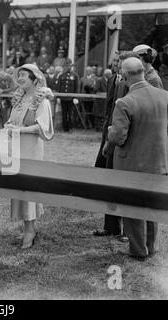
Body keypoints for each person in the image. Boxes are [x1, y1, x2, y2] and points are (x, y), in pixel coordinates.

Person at [104, 57, 168, 261]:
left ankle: (138, 250)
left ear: (124, 76)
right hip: (159, 162)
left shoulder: (125, 102)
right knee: (151, 205)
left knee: (132, 208)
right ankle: (151, 246)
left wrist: (109, 133)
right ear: (143, 71)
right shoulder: (164, 96)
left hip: (131, 164)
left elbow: (118, 137)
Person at [4, 64, 54, 249]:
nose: (21, 78)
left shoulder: (42, 100)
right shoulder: (20, 98)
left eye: (24, 75)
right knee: (20, 188)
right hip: (16, 149)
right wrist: (9, 125)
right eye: (19, 75)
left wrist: (20, 130)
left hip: (31, 150)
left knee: (29, 189)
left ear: (35, 79)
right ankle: (28, 228)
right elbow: (13, 120)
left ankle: (30, 231)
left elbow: (43, 128)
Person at [93, 51, 139, 241]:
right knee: (106, 180)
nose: (114, 65)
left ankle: (125, 230)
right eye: (113, 62)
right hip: (109, 135)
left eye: (118, 63)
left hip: (122, 140)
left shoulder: (132, 85)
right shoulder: (113, 80)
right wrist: (105, 138)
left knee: (120, 184)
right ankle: (110, 226)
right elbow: (109, 110)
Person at [56, 58, 79, 132]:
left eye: (70, 65)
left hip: (71, 98)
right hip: (63, 98)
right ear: (65, 66)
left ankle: (70, 128)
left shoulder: (75, 75)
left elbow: (76, 87)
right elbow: (59, 87)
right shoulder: (61, 76)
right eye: (67, 65)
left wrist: (76, 97)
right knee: (64, 113)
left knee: (71, 114)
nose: (68, 67)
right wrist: (58, 97)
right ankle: (64, 128)